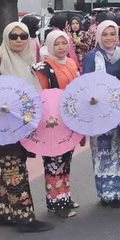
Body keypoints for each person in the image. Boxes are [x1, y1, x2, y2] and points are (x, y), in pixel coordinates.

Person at [0, 22, 53, 232]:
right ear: (6, 37)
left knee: (11, 167)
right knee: (15, 169)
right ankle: (25, 218)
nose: (18, 40)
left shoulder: (26, 60)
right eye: (14, 36)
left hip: (20, 127)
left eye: (23, 36)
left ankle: (5, 212)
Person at [32, 30, 80, 219]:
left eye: (64, 43)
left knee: (66, 159)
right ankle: (56, 201)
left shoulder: (71, 62)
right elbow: (41, 96)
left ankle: (64, 196)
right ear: (50, 45)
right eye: (57, 44)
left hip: (69, 119)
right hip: (51, 121)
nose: (61, 47)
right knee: (53, 162)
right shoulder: (42, 68)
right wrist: (48, 115)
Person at [82, 20, 120, 208]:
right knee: (102, 151)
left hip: (118, 110)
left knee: (115, 150)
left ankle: (118, 191)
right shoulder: (92, 57)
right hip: (98, 111)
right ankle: (106, 193)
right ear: (98, 36)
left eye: (112, 34)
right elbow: (85, 84)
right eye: (105, 34)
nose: (109, 38)